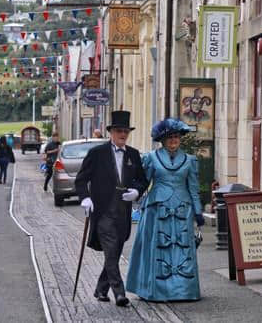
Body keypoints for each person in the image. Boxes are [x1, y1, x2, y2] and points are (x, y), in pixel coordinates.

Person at [75, 111, 149, 307]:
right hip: (103, 213)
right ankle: (119, 292)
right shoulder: (97, 154)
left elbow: (142, 180)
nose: (122, 135)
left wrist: (137, 192)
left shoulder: (133, 154)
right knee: (110, 251)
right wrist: (85, 198)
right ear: (111, 133)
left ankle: (101, 289)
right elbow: (81, 179)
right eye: (119, 131)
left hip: (124, 213)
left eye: (125, 131)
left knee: (114, 252)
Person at [126, 118, 204, 302]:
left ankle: (184, 291)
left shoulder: (189, 160)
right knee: (156, 248)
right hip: (157, 208)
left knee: (182, 249)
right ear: (163, 140)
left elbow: (193, 188)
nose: (174, 140)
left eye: (176, 137)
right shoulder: (151, 158)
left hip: (182, 209)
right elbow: (143, 181)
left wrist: (198, 212)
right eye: (170, 137)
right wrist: (134, 193)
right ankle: (154, 290)